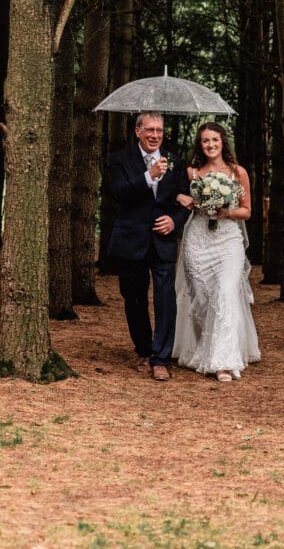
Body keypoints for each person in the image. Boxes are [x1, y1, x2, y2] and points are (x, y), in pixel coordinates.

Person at [106, 112, 191, 381]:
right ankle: (143, 349)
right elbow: (116, 193)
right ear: (138, 131)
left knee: (166, 298)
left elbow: (185, 200)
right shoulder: (120, 160)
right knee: (134, 297)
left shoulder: (176, 160)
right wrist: (148, 176)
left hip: (162, 241)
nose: (155, 135)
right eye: (150, 130)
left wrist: (174, 221)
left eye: (160, 130)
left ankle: (161, 357)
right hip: (131, 239)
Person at [172, 122, 259, 382]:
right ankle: (203, 349)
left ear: (223, 142)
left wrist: (225, 211)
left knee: (224, 293)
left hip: (228, 240)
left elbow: (247, 210)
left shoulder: (237, 172)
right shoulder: (192, 172)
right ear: (200, 145)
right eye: (205, 141)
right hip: (197, 239)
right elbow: (173, 195)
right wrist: (180, 197)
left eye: (215, 140)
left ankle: (223, 361)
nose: (210, 145)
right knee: (200, 298)